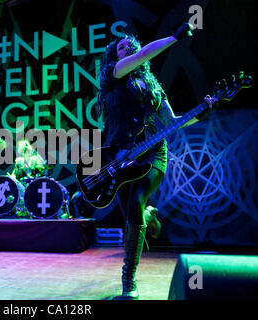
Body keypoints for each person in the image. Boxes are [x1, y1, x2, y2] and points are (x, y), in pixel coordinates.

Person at [97, 23, 215, 299]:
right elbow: (140, 58)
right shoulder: (113, 75)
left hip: (152, 154)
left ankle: (129, 282)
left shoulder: (152, 87)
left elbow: (172, 123)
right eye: (120, 48)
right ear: (115, 56)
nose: (126, 49)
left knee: (135, 200)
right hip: (120, 156)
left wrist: (203, 110)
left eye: (130, 46)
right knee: (131, 215)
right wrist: (173, 37)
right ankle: (149, 215)